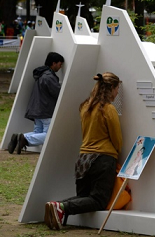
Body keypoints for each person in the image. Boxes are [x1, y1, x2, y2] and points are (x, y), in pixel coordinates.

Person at [44, 72, 122, 230]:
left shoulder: (85, 106)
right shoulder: (109, 109)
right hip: (103, 158)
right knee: (98, 200)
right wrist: (118, 153)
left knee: (84, 197)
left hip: (83, 159)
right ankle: (61, 206)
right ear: (111, 88)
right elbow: (117, 139)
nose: (118, 92)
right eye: (117, 89)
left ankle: (57, 206)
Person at [8, 52, 64, 154]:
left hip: (37, 109)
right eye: (60, 64)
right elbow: (58, 93)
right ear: (53, 63)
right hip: (46, 110)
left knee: (37, 133)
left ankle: (19, 138)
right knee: (49, 135)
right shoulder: (49, 77)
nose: (61, 67)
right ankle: (23, 138)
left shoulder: (41, 74)